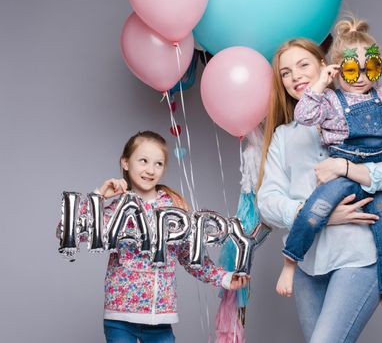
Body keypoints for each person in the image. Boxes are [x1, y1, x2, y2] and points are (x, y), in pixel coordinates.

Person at [257, 35, 382, 341]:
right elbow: (267, 201)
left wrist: (347, 168)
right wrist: (318, 214)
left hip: (359, 257)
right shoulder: (283, 136)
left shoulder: (371, 117)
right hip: (307, 263)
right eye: (285, 73)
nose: (295, 77)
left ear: (325, 66)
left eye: (303, 65)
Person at [59, 131, 248, 343]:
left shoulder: (174, 209)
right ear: (126, 162)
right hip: (120, 317)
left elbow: (190, 256)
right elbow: (67, 233)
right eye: (143, 161)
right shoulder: (115, 209)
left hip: (160, 318)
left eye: (158, 164)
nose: (150, 170)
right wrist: (99, 197)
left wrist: (224, 277)